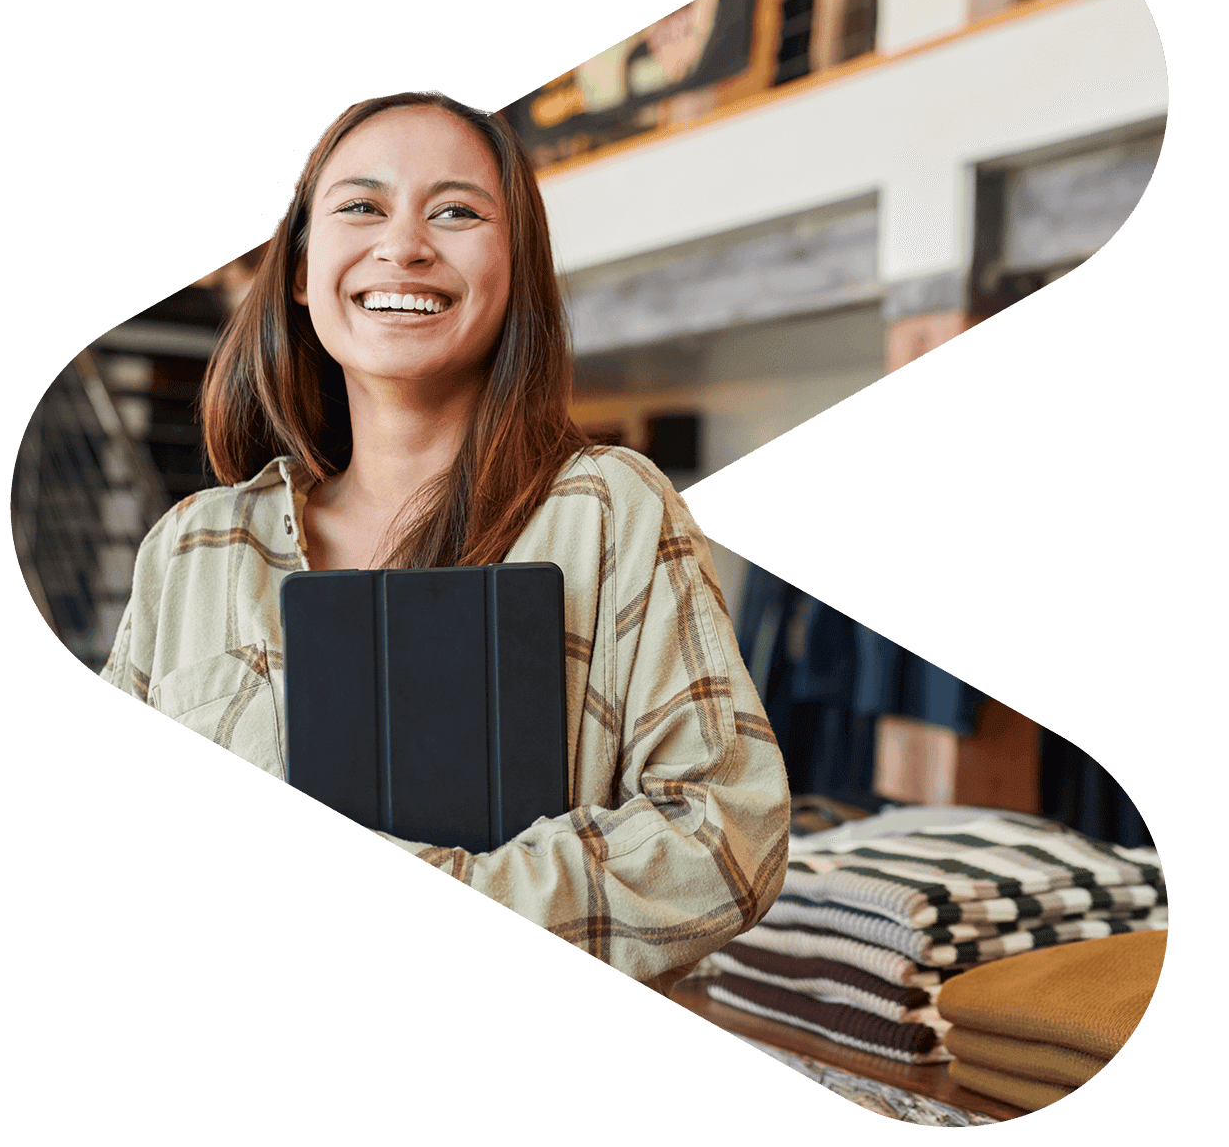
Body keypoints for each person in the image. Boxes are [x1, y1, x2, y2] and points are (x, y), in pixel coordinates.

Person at [100, 91, 790, 994]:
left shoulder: (610, 511)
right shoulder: (192, 546)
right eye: (360, 206)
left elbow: (726, 830)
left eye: (457, 211)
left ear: (515, 269)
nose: (404, 245)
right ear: (302, 270)